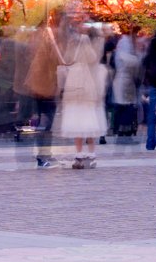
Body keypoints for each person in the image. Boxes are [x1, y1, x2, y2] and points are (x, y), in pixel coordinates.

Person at [56, 15, 108, 169]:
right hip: (87, 85)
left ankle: (80, 154)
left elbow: (67, 59)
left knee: (77, 120)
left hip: (75, 84)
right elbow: (93, 58)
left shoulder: (76, 43)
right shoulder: (92, 44)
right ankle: (90, 154)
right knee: (88, 119)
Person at [24, 11, 64, 168]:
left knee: (45, 118)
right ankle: (43, 155)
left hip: (39, 82)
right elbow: (55, 59)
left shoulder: (37, 35)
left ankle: (45, 153)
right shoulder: (46, 36)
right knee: (47, 119)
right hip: (44, 83)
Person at [110, 24, 142, 142]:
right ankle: (123, 133)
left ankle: (125, 132)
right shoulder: (125, 42)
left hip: (128, 79)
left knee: (127, 106)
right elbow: (126, 59)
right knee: (125, 107)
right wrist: (137, 59)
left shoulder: (128, 43)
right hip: (124, 78)